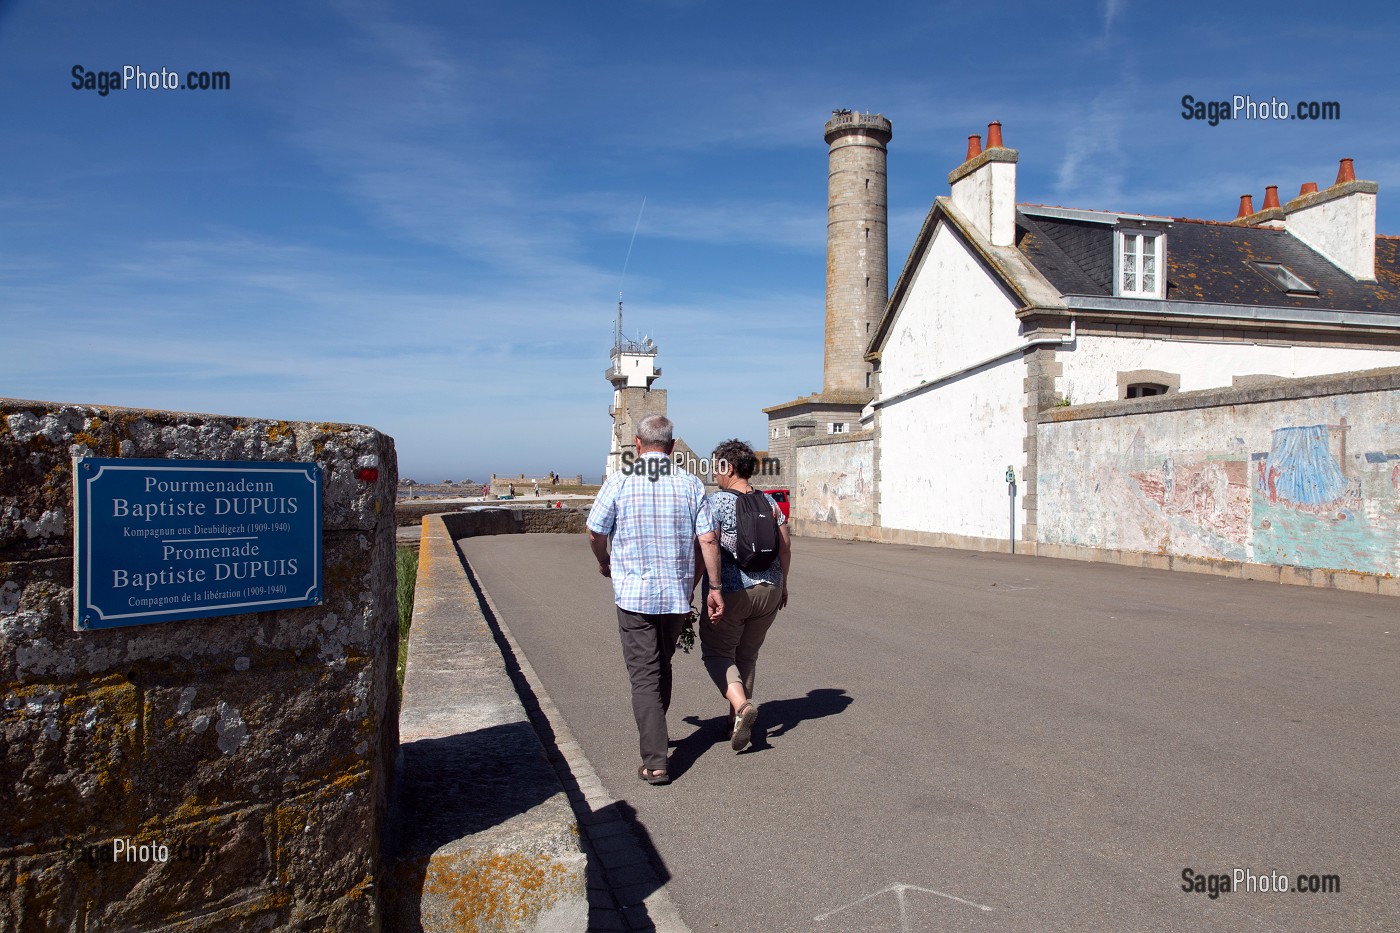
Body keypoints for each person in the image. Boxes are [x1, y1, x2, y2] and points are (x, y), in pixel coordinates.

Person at [588, 415, 725, 785]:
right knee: (660, 666)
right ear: (673, 444)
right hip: (675, 595)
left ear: (636, 442)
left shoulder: (619, 480)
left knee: (644, 675)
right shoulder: (691, 484)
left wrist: (605, 561)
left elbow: (595, 531)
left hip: (633, 594)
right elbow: (708, 540)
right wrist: (713, 587)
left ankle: (655, 761)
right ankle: (656, 735)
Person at [697, 439, 791, 752]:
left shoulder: (717, 502)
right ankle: (734, 721)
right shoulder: (769, 502)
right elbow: (786, 545)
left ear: (729, 468)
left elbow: (708, 544)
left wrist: (707, 587)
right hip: (771, 590)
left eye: (717, 464)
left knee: (717, 652)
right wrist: (784, 583)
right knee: (747, 656)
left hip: (735, 590)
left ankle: (740, 709)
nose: (714, 470)